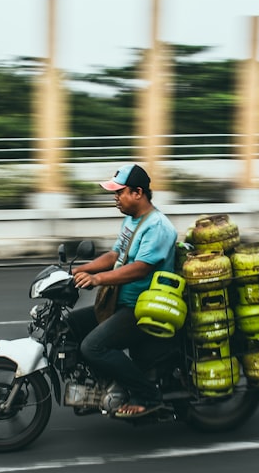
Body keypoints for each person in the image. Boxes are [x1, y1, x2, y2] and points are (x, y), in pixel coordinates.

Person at [70, 163, 178, 418]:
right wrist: (79, 270)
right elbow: (116, 255)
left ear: (138, 192)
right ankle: (102, 387)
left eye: (119, 193)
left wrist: (98, 280)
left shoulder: (158, 227)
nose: (115, 199)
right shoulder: (132, 220)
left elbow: (140, 268)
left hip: (143, 307)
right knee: (70, 324)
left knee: (92, 347)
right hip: (122, 302)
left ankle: (147, 396)